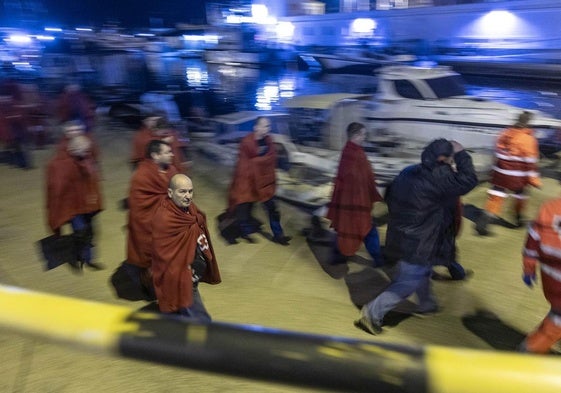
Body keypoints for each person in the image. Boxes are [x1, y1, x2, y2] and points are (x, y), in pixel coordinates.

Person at [354, 139, 478, 335]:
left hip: (402, 234)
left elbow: (389, 195)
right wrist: (462, 153)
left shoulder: (408, 171)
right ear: (442, 158)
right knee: (407, 282)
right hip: (420, 241)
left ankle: (427, 304)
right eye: (451, 159)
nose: (453, 163)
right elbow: (469, 179)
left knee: (423, 271)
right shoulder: (440, 177)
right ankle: (371, 313)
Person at [151, 174, 221, 321]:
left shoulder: (190, 209)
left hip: (191, 274)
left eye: (190, 191)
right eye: (182, 191)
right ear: (170, 193)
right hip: (180, 277)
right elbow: (164, 254)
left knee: (177, 312)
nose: (188, 196)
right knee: (201, 319)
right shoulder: (164, 218)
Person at [121, 140, 179, 299]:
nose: (172, 154)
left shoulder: (172, 170)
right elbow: (139, 207)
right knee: (152, 266)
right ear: (155, 155)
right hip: (148, 229)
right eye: (167, 152)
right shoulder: (141, 176)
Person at [227, 116, 291, 245]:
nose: (267, 128)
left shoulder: (269, 141)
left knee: (272, 209)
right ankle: (243, 231)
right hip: (249, 182)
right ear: (256, 127)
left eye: (268, 126)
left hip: (264, 183)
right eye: (264, 126)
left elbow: (270, 159)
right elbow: (244, 166)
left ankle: (278, 235)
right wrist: (258, 164)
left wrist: (258, 163)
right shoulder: (246, 142)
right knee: (245, 208)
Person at [326, 122, 384, 266]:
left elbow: (344, 178)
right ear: (356, 135)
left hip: (346, 201)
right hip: (357, 202)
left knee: (343, 227)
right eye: (363, 134)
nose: (364, 137)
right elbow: (363, 178)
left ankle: (337, 255)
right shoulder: (357, 154)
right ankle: (378, 258)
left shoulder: (347, 151)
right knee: (368, 228)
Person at [475, 110, 541, 236]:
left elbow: (497, 153)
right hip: (518, 176)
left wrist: (494, 169)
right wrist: (534, 180)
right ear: (529, 123)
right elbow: (531, 162)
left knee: (496, 196)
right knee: (520, 196)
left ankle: (483, 223)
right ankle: (518, 219)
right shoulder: (529, 139)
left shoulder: (503, 134)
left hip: (501, 172)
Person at [46, 134, 103, 271]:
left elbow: (92, 178)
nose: (86, 153)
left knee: (90, 232)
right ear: (72, 148)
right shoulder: (60, 163)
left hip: (86, 204)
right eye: (83, 150)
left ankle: (88, 259)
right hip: (71, 206)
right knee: (80, 232)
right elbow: (57, 189)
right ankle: (79, 256)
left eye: (87, 150)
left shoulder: (85, 158)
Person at [518, 190, 561, 354]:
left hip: (551, 281)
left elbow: (531, 245)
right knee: (556, 321)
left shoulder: (549, 208)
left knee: (557, 312)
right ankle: (529, 350)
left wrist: (528, 270)